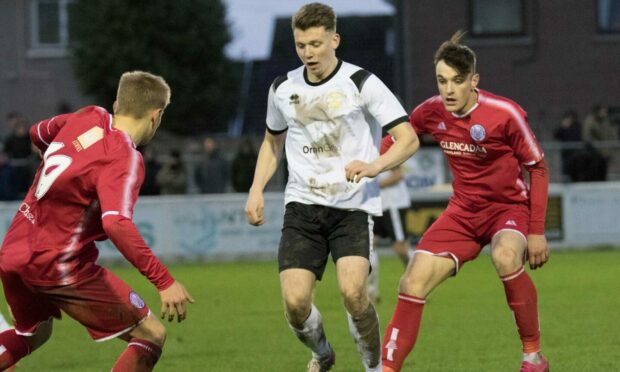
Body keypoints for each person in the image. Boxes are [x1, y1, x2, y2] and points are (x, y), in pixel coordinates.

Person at [244, 3, 419, 372]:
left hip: (352, 206)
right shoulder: (282, 88)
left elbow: (408, 139)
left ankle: (374, 368)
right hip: (302, 206)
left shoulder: (361, 82)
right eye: (301, 45)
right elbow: (272, 143)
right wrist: (256, 188)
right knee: (295, 303)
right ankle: (323, 354)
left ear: (334, 40)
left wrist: (374, 166)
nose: (308, 52)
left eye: (316, 43)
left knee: (355, 294)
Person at [0, 71, 194, 371]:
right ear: (157, 116)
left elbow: (37, 133)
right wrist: (164, 281)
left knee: (34, 334)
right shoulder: (125, 157)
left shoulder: (88, 116)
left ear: (117, 104)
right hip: (57, 263)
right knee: (151, 334)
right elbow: (116, 223)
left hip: (14, 250)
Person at [379, 31, 550, 372]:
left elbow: (539, 168)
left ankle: (533, 356)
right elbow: (398, 138)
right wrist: (372, 161)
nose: (448, 90)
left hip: (507, 210)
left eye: (457, 81)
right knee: (411, 280)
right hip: (462, 213)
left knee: (504, 257)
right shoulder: (430, 111)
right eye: (442, 81)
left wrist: (536, 231)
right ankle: (386, 368)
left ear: (474, 80)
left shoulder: (505, 113)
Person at [367, 165, 412, 303]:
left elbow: (398, 175)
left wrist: (372, 186)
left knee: (400, 248)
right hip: (375, 204)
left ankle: (419, 283)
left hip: (393, 203)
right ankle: (370, 291)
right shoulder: (365, 148)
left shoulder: (386, 147)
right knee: (369, 245)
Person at [581, 104, 618, 180]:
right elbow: (587, 136)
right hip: (596, 153)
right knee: (596, 171)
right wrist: (597, 145)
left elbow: (609, 134)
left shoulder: (606, 121)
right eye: (602, 111)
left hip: (606, 151)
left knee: (605, 171)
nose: (604, 114)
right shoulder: (590, 121)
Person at [553, 110, 581, 181]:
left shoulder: (577, 126)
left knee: (576, 169)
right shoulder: (564, 127)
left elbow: (578, 137)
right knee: (566, 170)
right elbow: (556, 135)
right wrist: (562, 127)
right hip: (566, 153)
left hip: (576, 153)